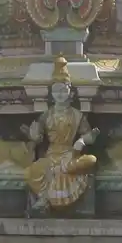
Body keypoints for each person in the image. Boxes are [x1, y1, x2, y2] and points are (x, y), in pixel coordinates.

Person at [23, 56, 99, 212]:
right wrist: (33, 135)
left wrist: (84, 140)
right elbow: (38, 138)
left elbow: (87, 134)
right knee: (33, 171)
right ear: (51, 93)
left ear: (70, 92)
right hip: (51, 155)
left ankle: (50, 199)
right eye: (56, 90)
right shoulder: (46, 115)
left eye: (64, 89)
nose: (60, 93)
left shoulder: (78, 115)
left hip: (70, 155)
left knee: (90, 160)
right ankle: (44, 199)